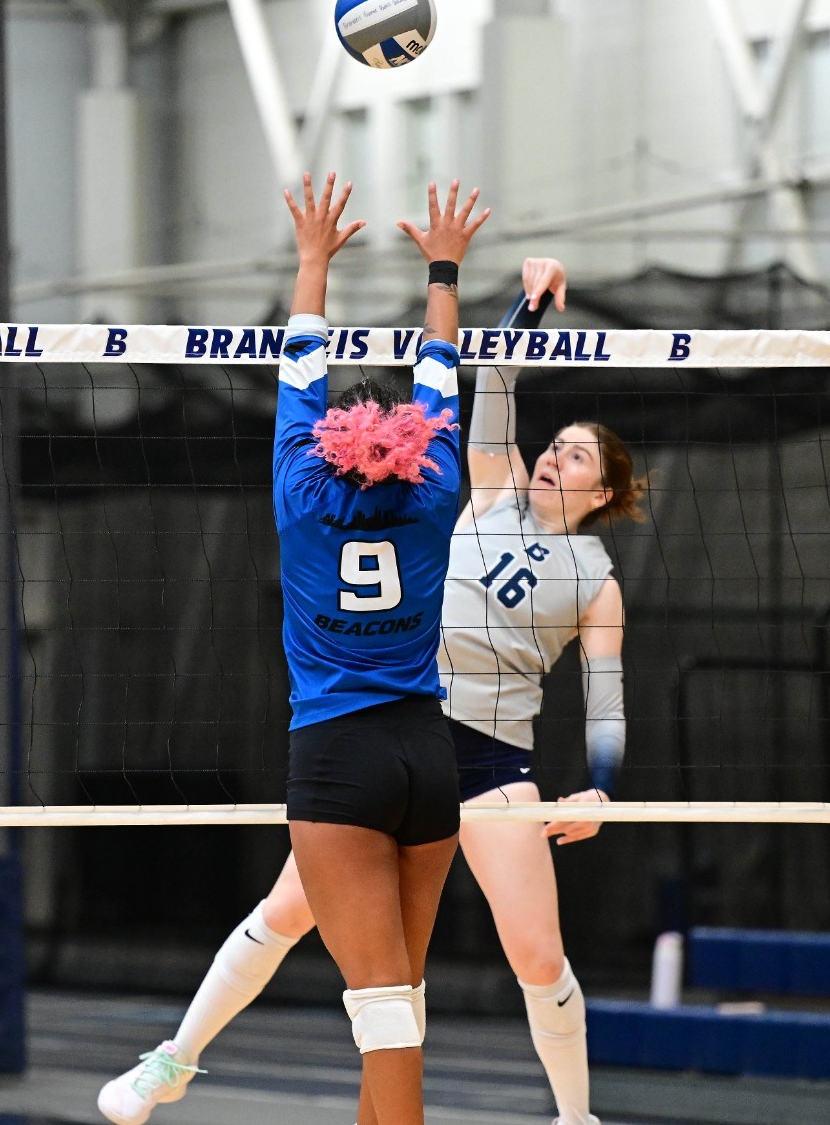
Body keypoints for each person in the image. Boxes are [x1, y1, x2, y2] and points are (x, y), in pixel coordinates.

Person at [97, 257, 641, 1125]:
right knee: (286, 913)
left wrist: (601, 786)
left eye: (576, 454)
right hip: (406, 725)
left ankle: (575, 1118)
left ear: (601, 490)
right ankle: (172, 1060)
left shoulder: (598, 585)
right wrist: (528, 303)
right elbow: (493, 380)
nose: (552, 456)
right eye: (554, 443)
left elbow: (606, 699)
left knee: (538, 957)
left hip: (490, 765)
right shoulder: (487, 488)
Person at [240, 173, 479, 1125]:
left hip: (338, 756)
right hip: (426, 752)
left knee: (383, 1010)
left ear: (328, 444)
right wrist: (443, 270)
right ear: (414, 444)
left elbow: (301, 366)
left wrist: (313, 259)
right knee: (399, 1002)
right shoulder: (434, 496)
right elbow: (441, 372)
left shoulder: (300, 497)